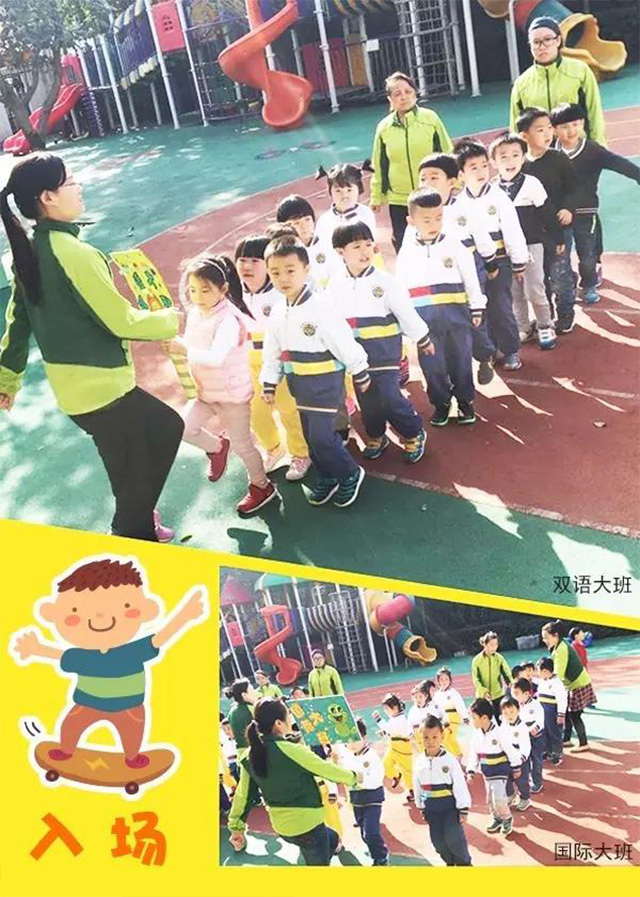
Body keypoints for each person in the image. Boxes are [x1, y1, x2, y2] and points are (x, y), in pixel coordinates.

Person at [0, 153, 183, 542]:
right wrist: (170, 319)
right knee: (164, 432)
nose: (79, 188)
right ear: (47, 197)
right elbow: (120, 320)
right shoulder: (75, 254)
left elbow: (18, 322)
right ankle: (132, 530)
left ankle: (136, 516)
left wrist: (7, 378)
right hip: (105, 390)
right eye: (70, 182)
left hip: (74, 392)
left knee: (134, 458)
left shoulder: (29, 251)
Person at [261, 236, 370, 509]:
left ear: (306, 269)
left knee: (323, 437)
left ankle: (350, 473)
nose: (283, 278)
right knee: (312, 438)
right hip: (301, 387)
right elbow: (272, 351)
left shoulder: (320, 307)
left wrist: (359, 369)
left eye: (290, 270)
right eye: (275, 273)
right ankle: (328, 476)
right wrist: (269, 382)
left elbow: (343, 340)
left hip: (325, 384)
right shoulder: (278, 312)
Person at [172, 254, 279, 517]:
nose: (198, 296)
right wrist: (176, 346)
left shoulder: (229, 320)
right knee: (181, 427)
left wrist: (184, 350)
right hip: (205, 392)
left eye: (205, 290)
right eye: (193, 290)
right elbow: (192, 347)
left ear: (223, 289)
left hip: (232, 396)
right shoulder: (196, 314)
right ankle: (217, 447)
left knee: (244, 446)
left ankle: (262, 486)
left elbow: (216, 358)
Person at [328, 221, 432, 462]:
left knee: (389, 396)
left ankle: (413, 431)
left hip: (384, 351)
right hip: (356, 356)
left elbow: (405, 312)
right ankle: (376, 435)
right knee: (368, 401)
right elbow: (330, 319)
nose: (365, 251)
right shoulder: (335, 284)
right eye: (356, 246)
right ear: (340, 252)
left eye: (368, 244)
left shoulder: (385, 281)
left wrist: (422, 337)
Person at [228, 698, 360, 865]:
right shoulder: (294, 751)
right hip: (308, 827)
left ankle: (333, 847)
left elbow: (243, 796)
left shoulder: (248, 755)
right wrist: (355, 777)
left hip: (282, 828)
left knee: (332, 837)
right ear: (278, 723)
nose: (291, 719)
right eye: (288, 715)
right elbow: (328, 770)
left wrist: (236, 828)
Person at [396, 188, 485, 426]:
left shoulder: (455, 245)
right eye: (426, 220)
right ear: (411, 221)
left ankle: (465, 401)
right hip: (424, 323)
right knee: (432, 366)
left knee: (461, 361)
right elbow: (400, 289)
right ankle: (441, 403)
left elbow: (471, 279)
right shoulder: (407, 252)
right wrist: (406, 321)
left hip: (456, 318)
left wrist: (476, 307)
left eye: (438, 217)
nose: (434, 224)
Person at [408, 152, 499, 385]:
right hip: (437, 279)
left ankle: (484, 356)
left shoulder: (465, 208)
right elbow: (409, 250)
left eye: (434, 177)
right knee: (444, 325)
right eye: (423, 178)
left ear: (452, 181)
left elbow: (482, 237)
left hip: (469, 270)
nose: (427, 183)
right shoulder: (417, 214)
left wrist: (490, 262)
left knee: (474, 318)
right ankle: (449, 371)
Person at [235, 234, 311, 482]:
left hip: (279, 363)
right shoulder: (234, 294)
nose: (247, 266)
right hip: (248, 363)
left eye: (254, 261)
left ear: (268, 267)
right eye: (242, 260)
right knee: (255, 412)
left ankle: (301, 453)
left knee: (289, 410)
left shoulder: (280, 295)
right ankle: (274, 448)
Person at [551, 102, 640, 303]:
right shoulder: (550, 153)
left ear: (582, 123)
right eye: (564, 127)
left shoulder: (592, 150)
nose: (571, 130)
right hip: (560, 215)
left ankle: (589, 283)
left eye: (575, 124)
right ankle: (568, 282)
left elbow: (619, 163)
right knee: (560, 256)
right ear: (554, 129)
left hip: (586, 211)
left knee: (587, 254)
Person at [453, 140, 528, 371]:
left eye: (484, 166)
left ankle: (511, 349)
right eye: (473, 168)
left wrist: (519, 261)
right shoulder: (458, 203)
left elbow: (512, 230)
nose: (481, 172)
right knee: (480, 309)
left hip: (500, 261)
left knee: (501, 307)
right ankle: (491, 349)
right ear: (461, 174)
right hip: (473, 264)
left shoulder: (499, 197)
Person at [491, 131, 564, 349]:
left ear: (523, 158)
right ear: (493, 162)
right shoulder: (492, 190)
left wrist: (557, 237)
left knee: (534, 288)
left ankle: (545, 325)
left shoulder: (532, 184)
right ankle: (523, 326)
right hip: (505, 250)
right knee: (514, 292)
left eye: (515, 155)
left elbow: (547, 213)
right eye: (503, 157)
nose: (510, 161)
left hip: (532, 245)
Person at [370, 71, 453, 252]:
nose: (404, 97)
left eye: (408, 91)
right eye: (397, 94)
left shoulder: (430, 119)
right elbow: (379, 164)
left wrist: (455, 182)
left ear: (415, 93)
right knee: (403, 242)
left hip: (431, 193)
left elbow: (447, 152)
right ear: (390, 99)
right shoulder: (384, 128)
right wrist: (376, 195)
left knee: (437, 238)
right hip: (399, 198)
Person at [518, 107, 579, 334]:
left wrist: (568, 208)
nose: (547, 134)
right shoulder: (520, 165)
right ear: (524, 136)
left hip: (560, 228)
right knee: (540, 276)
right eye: (540, 130)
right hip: (534, 233)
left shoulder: (558, 158)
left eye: (549, 128)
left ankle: (565, 313)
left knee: (560, 273)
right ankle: (548, 314)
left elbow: (574, 188)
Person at [509, 16, 607, 147]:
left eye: (547, 39)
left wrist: (598, 147)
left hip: (577, 149)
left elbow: (594, 111)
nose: (542, 47)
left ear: (558, 40)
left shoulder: (580, 71)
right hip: (542, 153)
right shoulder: (521, 84)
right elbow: (516, 128)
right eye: (536, 42)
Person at [413, 715, 472, 866]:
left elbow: (459, 784)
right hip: (431, 809)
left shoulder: (450, 760)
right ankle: (450, 863)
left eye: (435, 737)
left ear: (442, 736)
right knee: (438, 843)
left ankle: (465, 865)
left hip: (449, 809)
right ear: (420, 737)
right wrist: (420, 805)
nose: (430, 741)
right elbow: (417, 785)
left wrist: (463, 808)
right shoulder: (419, 762)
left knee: (455, 840)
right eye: (426, 737)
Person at [333, 718, 389, 866]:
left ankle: (381, 857)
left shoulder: (371, 756)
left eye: (355, 739)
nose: (351, 743)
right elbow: (341, 769)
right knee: (364, 834)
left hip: (372, 798)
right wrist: (336, 760)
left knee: (370, 833)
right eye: (348, 740)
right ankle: (375, 852)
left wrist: (356, 779)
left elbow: (375, 780)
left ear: (364, 738)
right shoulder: (347, 754)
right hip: (357, 800)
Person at [466, 697, 522, 836]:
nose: (472, 721)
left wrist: (516, 767)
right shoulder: (476, 735)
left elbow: (510, 750)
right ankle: (496, 818)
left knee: (499, 799)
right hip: (487, 773)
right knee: (490, 800)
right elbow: (473, 754)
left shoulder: (499, 733)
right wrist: (471, 770)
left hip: (500, 771)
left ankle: (506, 818)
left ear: (484, 718)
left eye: (474, 718)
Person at [541, 619, 597, 752]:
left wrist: (547, 687)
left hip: (578, 684)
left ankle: (583, 743)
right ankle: (566, 739)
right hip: (575, 683)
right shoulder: (558, 646)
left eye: (546, 637)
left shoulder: (561, 650)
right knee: (567, 712)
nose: (544, 640)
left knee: (574, 715)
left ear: (555, 635)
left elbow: (558, 674)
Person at [274, 195, 343, 290]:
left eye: (307, 220)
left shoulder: (327, 243)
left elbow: (339, 274)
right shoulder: (280, 252)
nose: (304, 226)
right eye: (297, 223)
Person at [315, 163, 377, 245]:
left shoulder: (366, 213)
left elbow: (369, 243)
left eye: (349, 190)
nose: (344, 195)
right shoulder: (324, 221)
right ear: (330, 192)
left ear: (359, 189)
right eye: (338, 191)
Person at [373, 693, 414, 801]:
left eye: (387, 709)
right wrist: (384, 732)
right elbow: (391, 731)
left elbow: (390, 728)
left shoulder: (401, 719)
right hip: (393, 748)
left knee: (407, 771)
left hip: (403, 750)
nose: (385, 711)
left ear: (395, 708)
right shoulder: (394, 718)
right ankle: (396, 775)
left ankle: (412, 790)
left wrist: (378, 719)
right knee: (386, 765)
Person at [511, 677, 545, 795]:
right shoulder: (515, 706)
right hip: (522, 738)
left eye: (517, 693)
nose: (514, 696)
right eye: (513, 693)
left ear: (526, 693)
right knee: (523, 760)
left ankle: (537, 782)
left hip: (535, 737)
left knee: (536, 759)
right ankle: (523, 783)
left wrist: (535, 728)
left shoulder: (536, 705)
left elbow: (540, 720)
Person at [471, 631, 513, 720]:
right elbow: (476, 679)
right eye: (491, 644)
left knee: (501, 720)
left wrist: (511, 684)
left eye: (496, 644)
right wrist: (484, 692)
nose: (494, 647)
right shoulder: (476, 661)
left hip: (498, 695)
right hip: (483, 697)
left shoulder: (499, 658)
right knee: (485, 721)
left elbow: (507, 674)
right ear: (485, 644)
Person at [499, 696, 531, 812]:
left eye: (512, 712)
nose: (509, 715)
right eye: (505, 713)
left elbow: (526, 745)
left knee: (521, 780)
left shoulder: (522, 727)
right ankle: (510, 794)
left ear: (518, 710)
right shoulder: (504, 724)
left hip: (519, 759)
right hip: (507, 758)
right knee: (505, 777)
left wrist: (521, 758)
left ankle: (525, 798)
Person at [535, 656, 567, 765]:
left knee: (554, 733)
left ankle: (557, 753)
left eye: (539, 671)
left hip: (552, 712)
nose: (538, 673)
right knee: (544, 732)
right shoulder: (542, 681)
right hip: (542, 712)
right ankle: (547, 751)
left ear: (545, 671)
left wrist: (561, 715)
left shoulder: (557, 683)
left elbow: (562, 699)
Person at [431, 667, 468, 759]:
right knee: (444, 739)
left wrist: (465, 717)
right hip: (443, 720)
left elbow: (460, 705)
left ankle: (458, 755)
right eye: (441, 679)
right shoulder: (437, 695)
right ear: (438, 681)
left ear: (450, 680)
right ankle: (452, 756)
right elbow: (435, 708)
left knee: (449, 737)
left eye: (446, 679)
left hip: (453, 718)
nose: (444, 682)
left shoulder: (453, 693)